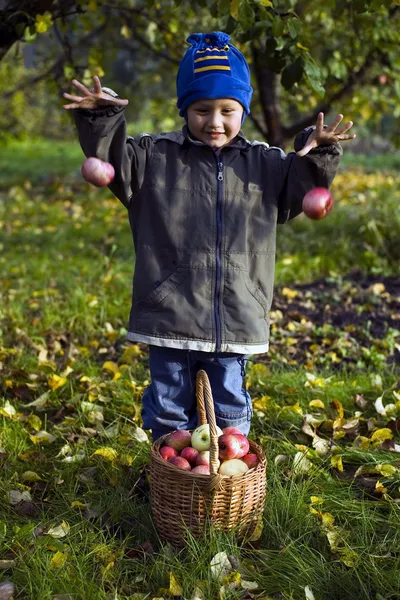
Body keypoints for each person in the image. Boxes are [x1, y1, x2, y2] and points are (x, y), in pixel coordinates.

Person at [63, 31, 355, 441]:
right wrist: (100, 119)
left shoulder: (265, 164)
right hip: (170, 311)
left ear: (243, 109)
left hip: (236, 313)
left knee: (230, 408)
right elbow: (113, 163)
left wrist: (318, 151)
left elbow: (300, 189)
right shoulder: (154, 157)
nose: (214, 122)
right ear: (185, 108)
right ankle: (172, 483)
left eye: (226, 110)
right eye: (201, 109)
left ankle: (222, 492)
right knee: (168, 407)